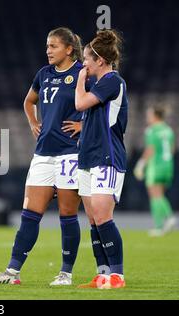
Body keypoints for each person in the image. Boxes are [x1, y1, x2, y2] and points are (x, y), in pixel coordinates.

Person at [0, 27, 85, 286]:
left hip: (70, 153)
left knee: (67, 214)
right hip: (43, 153)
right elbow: (29, 101)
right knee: (29, 213)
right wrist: (32, 122)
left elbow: (102, 104)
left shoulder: (82, 74)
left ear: (69, 49)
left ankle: (66, 273)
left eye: (53, 46)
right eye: (47, 46)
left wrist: (84, 125)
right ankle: (12, 273)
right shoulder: (44, 74)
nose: (48, 51)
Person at [75, 29, 128, 289]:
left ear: (100, 60)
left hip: (107, 156)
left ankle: (117, 275)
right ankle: (103, 273)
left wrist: (79, 80)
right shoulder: (100, 84)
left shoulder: (112, 81)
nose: (83, 63)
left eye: (86, 59)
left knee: (102, 215)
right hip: (88, 156)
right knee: (93, 218)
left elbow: (80, 104)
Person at [134, 105, 176, 236]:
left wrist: (141, 164)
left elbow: (150, 150)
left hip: (155, 166)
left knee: (155, 196)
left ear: (155, 116)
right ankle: (162, 226)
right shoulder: (168, 130)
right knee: (160, 195)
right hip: (168, 165)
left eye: (149, 115)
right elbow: (173, 148)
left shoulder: (151, 130)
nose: (148, 117)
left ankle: (167, 219)